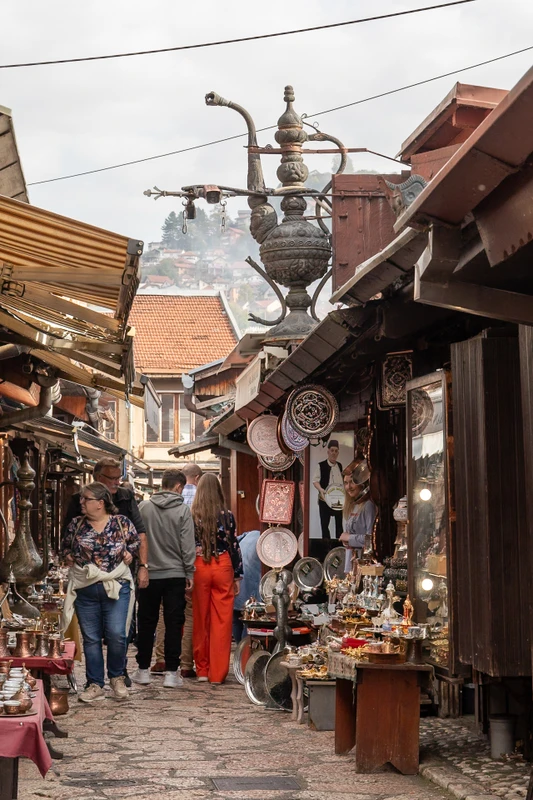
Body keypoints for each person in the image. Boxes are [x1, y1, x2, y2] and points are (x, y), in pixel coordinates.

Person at [63, 457, 147, 687]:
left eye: (86, 499)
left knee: (118, 635)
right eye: (112, 477)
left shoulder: (121, 521)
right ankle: (94, 684)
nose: (82, 502)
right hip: (86, 586)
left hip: (116, 585)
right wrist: (68, 556)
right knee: (90, 639)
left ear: (100, 503)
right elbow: (65, 544)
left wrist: (134, 558)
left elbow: (136, 540)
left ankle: (117, 676)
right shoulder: (76, 523)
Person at [132, 468, 196, 689]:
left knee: (147, 621)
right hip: (175, 574)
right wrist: (190, 572)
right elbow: (187, 546)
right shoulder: (182, 510)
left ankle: (142, 670)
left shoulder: (144, 507)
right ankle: (171, 672)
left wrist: (140, 566)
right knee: (173, 623)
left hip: (148, 573)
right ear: (178, 487)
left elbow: (137, 539)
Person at [151, 462, 202, 677]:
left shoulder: (149, 505)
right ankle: (185, 664)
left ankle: (160, 658)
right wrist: (189, 570)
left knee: (163, 614)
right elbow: (188, 542)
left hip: (156, 567)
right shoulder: (195, 501)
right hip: (180, 567)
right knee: (187, 615)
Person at [191, 473, 242, 684]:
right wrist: (237, 576)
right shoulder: (227, 515)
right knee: (222, 620)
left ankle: (202, 670)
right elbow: (233, 545)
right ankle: (218, 674)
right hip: (222, 565)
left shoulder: (193, 514)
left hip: (200, 565)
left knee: (200, 619)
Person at [339, 463, 377, 573]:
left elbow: (371, 540)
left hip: (363, 565)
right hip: (350, 563)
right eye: (345, 483)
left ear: (361, 483)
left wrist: (349, 538)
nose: (348, 487)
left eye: (352, 482)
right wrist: (347, 540)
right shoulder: (350, 506)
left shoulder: (368, 506)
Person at [232, 530, 261, 642]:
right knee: (249, 621)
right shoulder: (263, 540)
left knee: (236, 618)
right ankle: (244, 653)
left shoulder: (247, 536)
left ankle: (239, 651)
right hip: (251, 586)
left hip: (238, 581)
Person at [312, 440, 344, 539]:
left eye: (336, 451)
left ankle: (339, 546)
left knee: (339, 525)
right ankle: (326, 547)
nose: (334, 453)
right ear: (328, 451)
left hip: (337, 500)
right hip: (324, 500)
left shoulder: (339, 465)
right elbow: (315, 481)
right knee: (325, 526)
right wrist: (321, 490)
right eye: (332, 450)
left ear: (338, 453)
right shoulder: (320, 465)